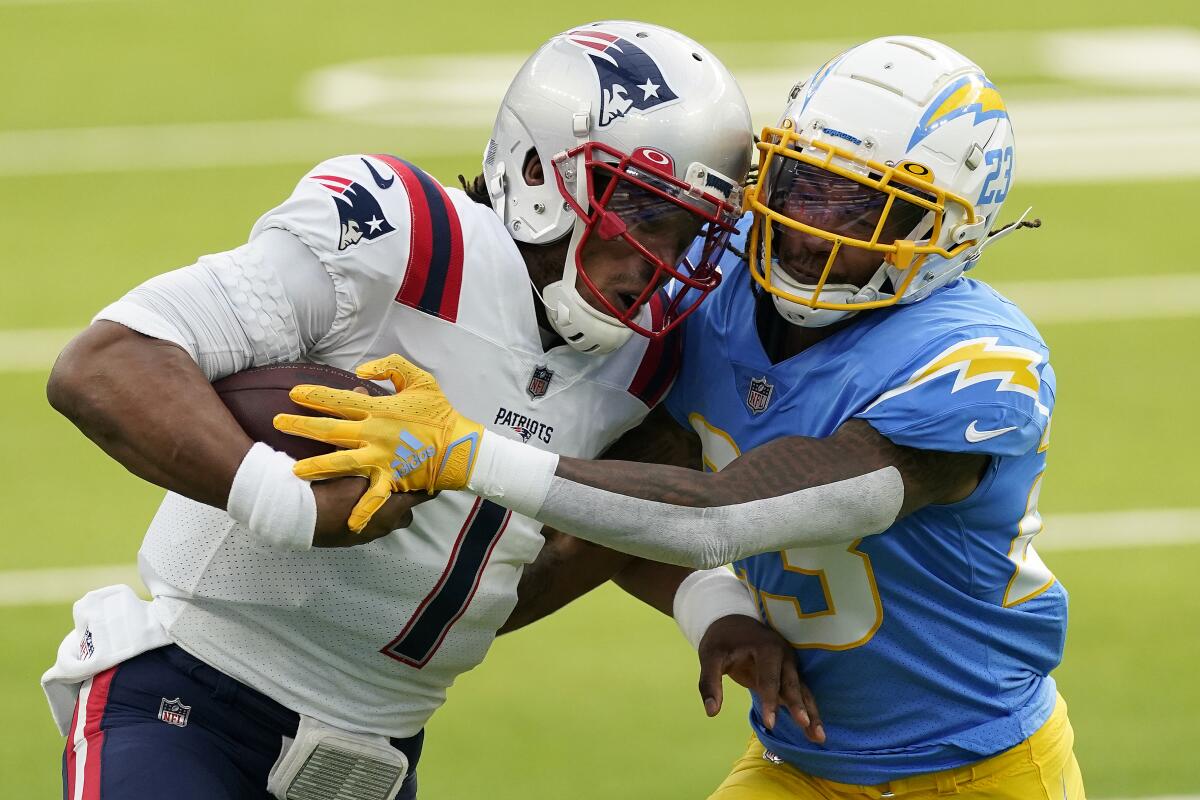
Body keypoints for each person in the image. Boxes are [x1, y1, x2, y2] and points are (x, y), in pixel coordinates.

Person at [289, 36, 1085, 799]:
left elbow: (717, 517)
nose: (811, 230)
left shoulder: (977, 364)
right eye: (802, 184)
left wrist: (468, 453)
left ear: (947, 237)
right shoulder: (716, 277)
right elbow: (620, 505)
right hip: (802, 765)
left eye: (863, 210)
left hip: (986, 771)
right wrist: (403, 646)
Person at [42, 21, 806, 800]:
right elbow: (110, 361)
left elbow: (602, 522)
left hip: (374, 761)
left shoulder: (647, 357)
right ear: (542, 172)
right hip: (191, 700)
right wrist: (288, 502)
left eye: (692, 234)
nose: (664, 262)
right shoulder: (406, 240)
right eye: (644, 213)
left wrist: (714, 607)